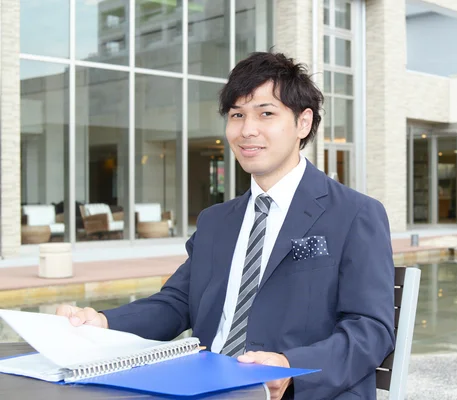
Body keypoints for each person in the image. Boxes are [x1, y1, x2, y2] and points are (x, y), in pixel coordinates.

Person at [56, 51, 395, 400]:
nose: (248, 130)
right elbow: (177, 303)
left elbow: (371, 328)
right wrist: (103, 322)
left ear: (303, 123)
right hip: (204, 386)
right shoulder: (217, 220)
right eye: (237, 115)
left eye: (266, 113)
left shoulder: (354, 214)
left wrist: (288, 366)